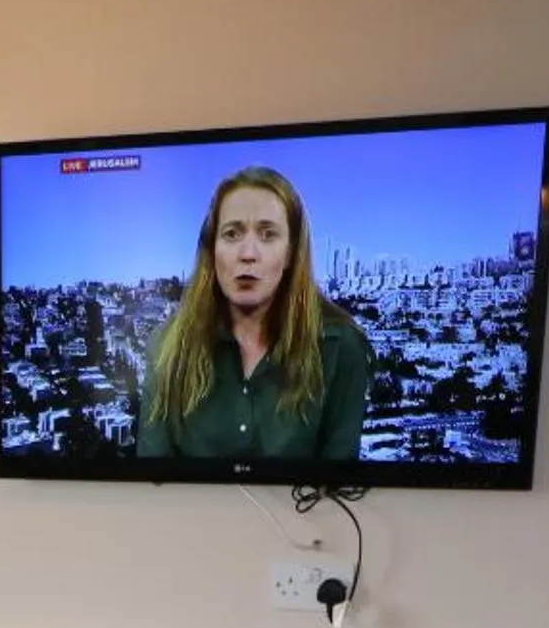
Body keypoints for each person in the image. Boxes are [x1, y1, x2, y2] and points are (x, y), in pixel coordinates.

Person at [136, 166, 372, 463]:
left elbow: (339, 487)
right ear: (212, 250)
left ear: (290, 253)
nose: (248, 253)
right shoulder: (167, 346)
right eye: (232, 234)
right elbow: (151, 480)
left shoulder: (341, 347)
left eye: (267, 234)